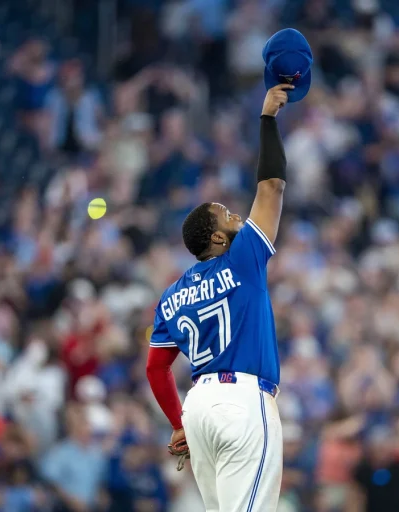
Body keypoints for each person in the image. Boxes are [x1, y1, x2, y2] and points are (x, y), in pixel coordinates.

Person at [146, 82, 292, 512]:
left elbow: (157, 369)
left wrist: (178, 423)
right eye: (228, 215)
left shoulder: (171, 295)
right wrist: (267, 120)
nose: (238, 216)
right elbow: (272, 189)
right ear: (216, 237)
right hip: (242, 402)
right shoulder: (242, 255)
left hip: (199, 409)